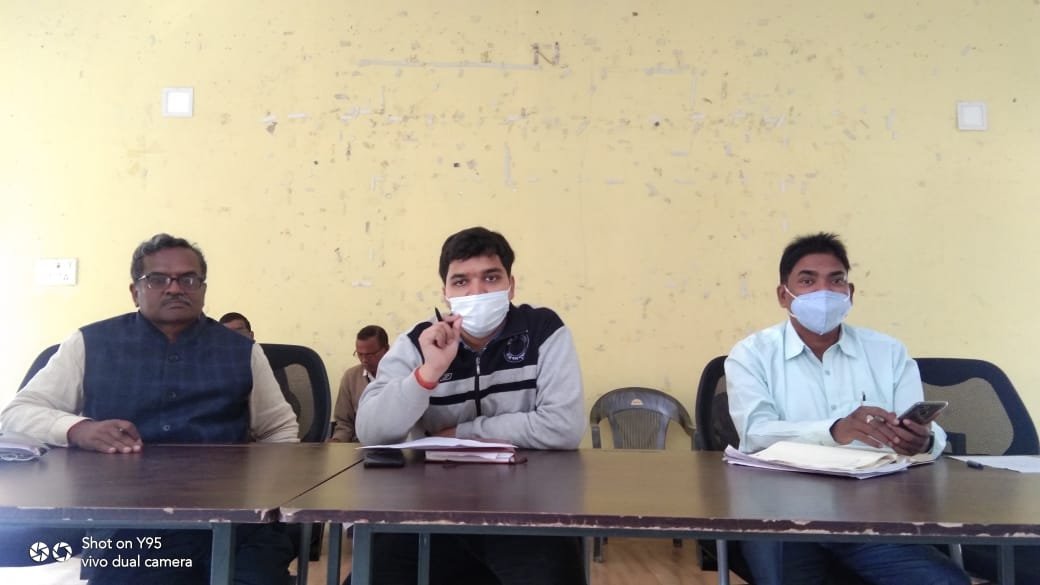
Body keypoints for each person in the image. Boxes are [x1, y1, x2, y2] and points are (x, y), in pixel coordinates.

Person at [1, 233, 299, 585]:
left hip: (229, 519)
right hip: (124, 519)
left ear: (203, 289)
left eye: (188, 279)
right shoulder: (89, 343)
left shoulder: (242, 351)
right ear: (135, 291)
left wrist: (262, 495)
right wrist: (78, 429)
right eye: (158, 279)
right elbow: (17, 414)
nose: (175, 288)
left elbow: (280, 430)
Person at [724, 232, 970, 585]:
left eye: (836, 280)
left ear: (850, 292)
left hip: (873, 514)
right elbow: (755, 433)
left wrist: (924, 441)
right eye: (808, 281)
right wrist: (833, 430)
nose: (824, 291)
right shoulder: (751, 355)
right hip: (782, 511)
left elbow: (922, 429)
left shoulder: (888, 352)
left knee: (946, 583)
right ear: (783, 294)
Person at [354, 226, 586, 585]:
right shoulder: (417, 343)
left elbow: (563, 426)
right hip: (431, 509)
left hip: (527, 508)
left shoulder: (544, 331)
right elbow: (370, 430)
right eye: (461, 282)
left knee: (553, 573)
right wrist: (428, 373)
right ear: (445, 293)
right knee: (373, 574)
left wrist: (463, 433)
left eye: (490, 278)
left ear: (511, 285)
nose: (476, 291)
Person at [329, 325, 389, 442]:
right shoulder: (351, 377)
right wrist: (337, 441)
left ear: (386, 349)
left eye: (370, 355)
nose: (364, 360)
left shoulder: (402, 375)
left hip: (399, 444)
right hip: (361, 445)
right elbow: (345, 423)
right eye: (360, 354)